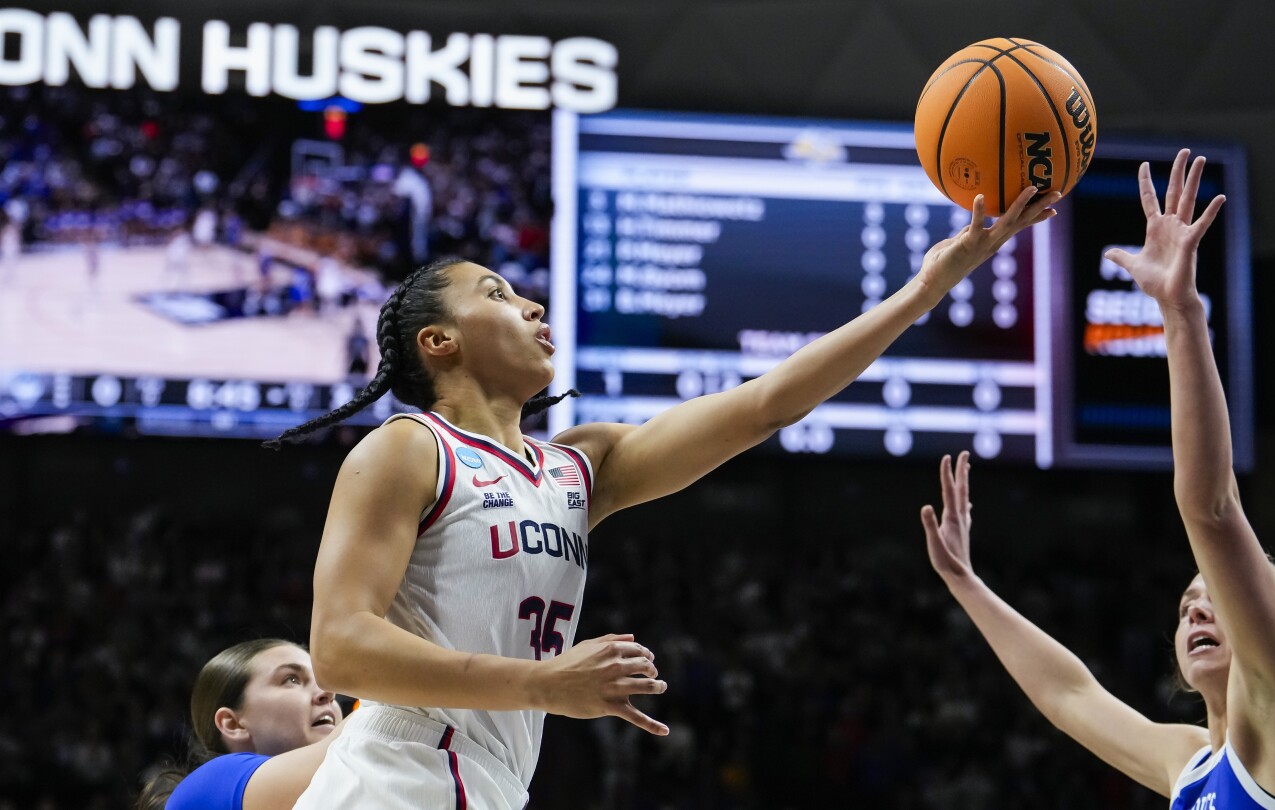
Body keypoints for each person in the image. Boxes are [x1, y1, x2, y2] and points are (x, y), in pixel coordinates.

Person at [262, 186, 1062, 808]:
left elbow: (767, 405)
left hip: (488, 779)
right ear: (438, 343)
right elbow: (339, 648)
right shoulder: (407, 447)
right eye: (499, 294)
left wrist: (924, 290)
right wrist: (544, 685)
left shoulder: (579, 468)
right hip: (400, 771)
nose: (533, 304)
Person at [920, 151, 1275, 809]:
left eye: (1214, 592)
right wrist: (966, 583)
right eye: (1187, 606)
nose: (1196, 610)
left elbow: (1211, 512)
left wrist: (1181, 314)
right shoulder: (1189, 761)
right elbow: (1070, 696)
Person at [135, 639, 347, 810]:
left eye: (322, 681)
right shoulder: (208, 787)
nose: (327, 692)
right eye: (291, 679)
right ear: (233, 724)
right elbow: (360, 739)